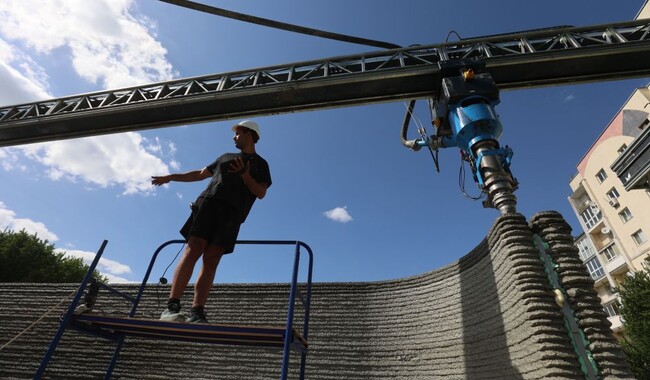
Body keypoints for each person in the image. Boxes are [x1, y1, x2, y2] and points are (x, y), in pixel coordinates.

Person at [151, 120, 271, 323]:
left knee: (212, 259)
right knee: (194, 249)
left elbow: (260, 192)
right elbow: (199, 174)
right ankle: (172, 307)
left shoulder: (261, 164)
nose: (234, 137)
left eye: (238, 133)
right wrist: (171, 176)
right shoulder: (225, 157)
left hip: (232, 214)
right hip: (208, 205)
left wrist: (245, 176)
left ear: (249, 134)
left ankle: (197, 312)